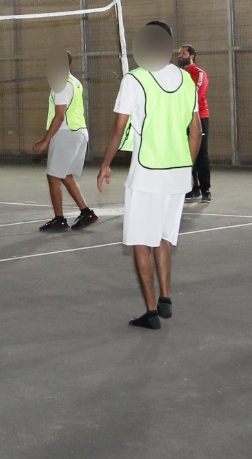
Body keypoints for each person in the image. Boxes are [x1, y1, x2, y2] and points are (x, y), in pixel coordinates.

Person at [97, 21, 201, 330]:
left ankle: (151, 312)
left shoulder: (135, 78)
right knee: (163, 238)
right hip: (178, 173)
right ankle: (165, 297)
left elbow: (118, 128)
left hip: (147, 172)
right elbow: (196, 131)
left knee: (141, 241)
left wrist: (105, 164)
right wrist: (187, 167)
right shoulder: (186, 80)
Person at [31, 51, 98, 232]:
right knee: (65, 175)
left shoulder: (61, 85)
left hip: (67, 133)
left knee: (53, 176)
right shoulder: (74, 82)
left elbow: (60, 116)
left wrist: (45, 140)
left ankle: (59, 220)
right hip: (78, 132)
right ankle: (86, 212)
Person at [177, 45, 213, 204]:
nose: (180, 55)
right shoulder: (178, 75)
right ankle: (193, 188)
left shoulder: (199, 74)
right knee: (186, 154)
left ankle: (206, 190)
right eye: (179, 53)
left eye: (183, 52)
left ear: (192, 56)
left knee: (201, 154)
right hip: (181, 119)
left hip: (199, 117)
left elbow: (196, 94)